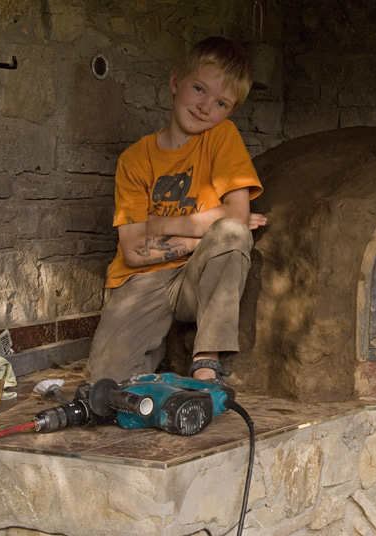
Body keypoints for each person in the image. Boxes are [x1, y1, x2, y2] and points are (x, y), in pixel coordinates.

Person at [86, 36, 266, 385]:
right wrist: (206, 239)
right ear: (174, 81)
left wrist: (160, 223)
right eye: (198, 89)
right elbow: (135, 251)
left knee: (231, 233)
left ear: (229, 112)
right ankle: (151, 359)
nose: (204, 107)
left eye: (220, 103)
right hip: (144, 280)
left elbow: (236, 217)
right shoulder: (135, 160)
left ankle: (205, 358)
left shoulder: (221, 137)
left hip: (196, 279)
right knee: (105, 384)